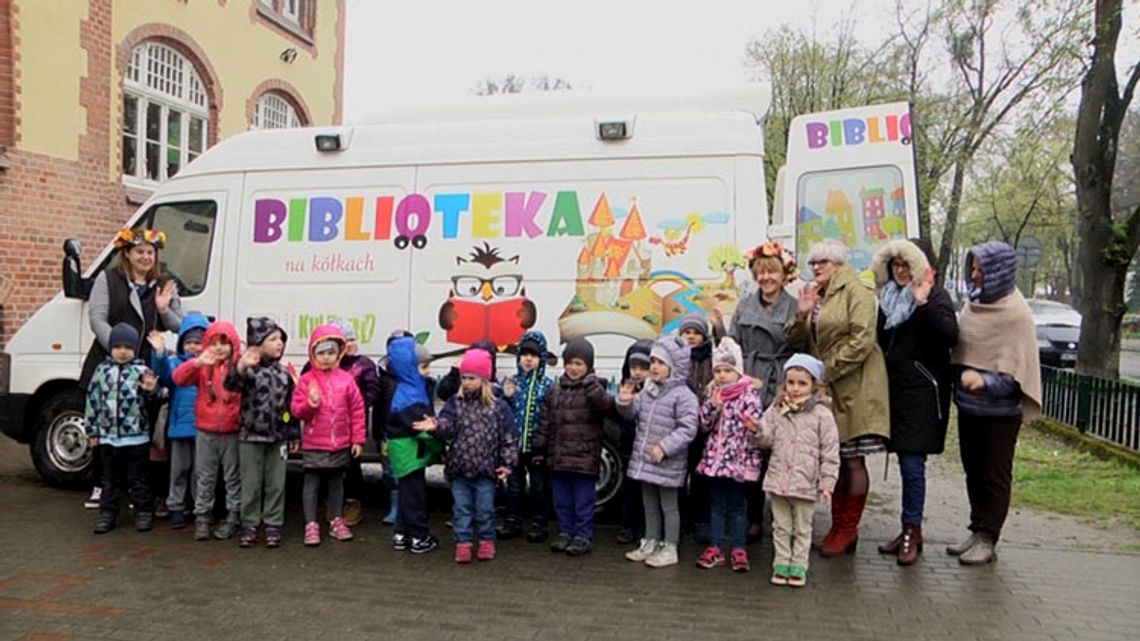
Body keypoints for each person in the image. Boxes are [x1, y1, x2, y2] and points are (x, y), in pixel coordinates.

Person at [785, 239, 889, 557]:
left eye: (823, 262)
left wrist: (825, 371)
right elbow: (798, 342)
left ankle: (847, 529)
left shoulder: (856, 292)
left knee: (852, 458)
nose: (816, 267)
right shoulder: (817, 294)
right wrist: (801, 314)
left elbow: (863, 339)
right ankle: (838, 527)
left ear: (839, 265)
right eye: (813, 262)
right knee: (836, 457)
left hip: (856, 384)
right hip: (829, 386)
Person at [948, 241, 1041, 566]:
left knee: (994, 474)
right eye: (972, 268)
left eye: (980, 269)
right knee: (973, 471)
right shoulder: (972, 307)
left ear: (998, 271)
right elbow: (961, 351)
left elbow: (1018, 373)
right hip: (969, 408)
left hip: (1000, 414)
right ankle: (977, 529)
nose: (975, 275)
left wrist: (985, 381)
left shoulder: (1016, 314)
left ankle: (989, 537)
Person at [80, 227, 182, 510]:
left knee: (142, 428)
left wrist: (163, 308)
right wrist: (119, 349)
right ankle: (102, 485)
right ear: (127, 253)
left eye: (150, 252)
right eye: (139, 252)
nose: (145, 257)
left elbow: (178, 325)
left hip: (147, 370)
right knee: (106, 424)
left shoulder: (164, 284)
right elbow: (97, 317)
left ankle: (138, 489)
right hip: (109, 363)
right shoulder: (108, 279)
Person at [872, 239, 959, 565]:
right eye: (895, 265)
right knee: (904, 463)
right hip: (896, 392)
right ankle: (909, 529)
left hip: (923, 393)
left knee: (912, 465)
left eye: (905, 265)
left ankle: (912, 528)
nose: (899, 271)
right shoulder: (890, 298)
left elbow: (951, 335)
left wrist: (922, 305)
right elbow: (882, 340)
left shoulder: (935, 297)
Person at [710, 240, 799, 544]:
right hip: (749, 379)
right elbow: (733, 346)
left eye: (772, 272)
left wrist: (789, 386)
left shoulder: (794, 306)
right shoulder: (746, 303)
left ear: (783, 274)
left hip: (778, 379)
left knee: (775, 448)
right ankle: (750, 516)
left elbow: (801, 347)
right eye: (761, 272)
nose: (766, 278)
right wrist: (718, 329)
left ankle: (782, 520)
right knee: (747, 446)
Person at [414, 349, 518, 563]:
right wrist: (436, 425)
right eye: (464, 378)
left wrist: (507, 464)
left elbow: (509, 437)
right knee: (461, 509)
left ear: (484, 379)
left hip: (486, 470)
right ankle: (463, 542)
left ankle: (487, 540)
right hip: (459, 469)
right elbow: (448, 426)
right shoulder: (455, 403)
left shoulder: (498, 407)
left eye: (472, 378)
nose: (468, 382)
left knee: (485, 509)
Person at [749, 354, 839, 588]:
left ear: (814, 385)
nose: (795, 388)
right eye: (791, 383)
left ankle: (798, 564)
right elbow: (766, 439)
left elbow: (830, 452)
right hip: (779, 478)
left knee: (802, 527)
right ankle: (781, 562)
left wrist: (827, 483)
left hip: (806, 482)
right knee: (780, 526)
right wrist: (757, 430)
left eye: (802, 383)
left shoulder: (822, 415)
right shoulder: (777, 409)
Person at [616, 334, 699, 568]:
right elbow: (632, 414)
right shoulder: (649, 390)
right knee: (649, 503)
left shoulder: (683, 396)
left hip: (667, 462)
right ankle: (650, 540)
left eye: (660, 363)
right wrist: (624, 402)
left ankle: (670, 545)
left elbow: (688, 428)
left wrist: (664, 447)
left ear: (675, 367)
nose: (654, 367)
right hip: (646, 460)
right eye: (653, 361)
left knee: (669, 506)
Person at [532, 338, 613, 557]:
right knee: (562, 501)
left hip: (584, 460)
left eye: (579, 364)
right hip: (559, 459)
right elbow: (544, 422)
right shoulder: (555, 390)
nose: (573, 368)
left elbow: (606, 407)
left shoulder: (595, 388)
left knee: (583, 501)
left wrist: (591, 386)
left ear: (588, 366)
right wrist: (539, 449)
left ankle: (583, 535)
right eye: (569, 363)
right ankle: (566, 531)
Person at [291, 324, 366, 547]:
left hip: (340, 443)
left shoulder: (346, 380)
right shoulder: (306, 380)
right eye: (321, 353)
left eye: (331, 352)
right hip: (315, 442)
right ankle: (311, 524)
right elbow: (297, 410)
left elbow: (358, 410)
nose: (326, 358)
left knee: (336, 483)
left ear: (339, 354)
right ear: (313, 354)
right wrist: (310, 404)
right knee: (311, 483)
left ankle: (336, 519)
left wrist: (358, 439)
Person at [298, 319, 379, 527]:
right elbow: (299, 406)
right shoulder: (310, 373)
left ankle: (346, 509)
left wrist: (352, 421)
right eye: (347, 339)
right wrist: (312, 403)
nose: (350, 344)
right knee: (314, 478)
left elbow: (365, 399)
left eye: (352, 339)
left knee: (345, 473)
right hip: (318, 436)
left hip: (346, 430)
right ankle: (315, 519)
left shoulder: (358, 368)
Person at [224, 318, 297, 548]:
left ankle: (273, 523)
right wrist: (240, 366)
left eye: (281, 340)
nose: (279, 344)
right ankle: (250, 524)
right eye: (273, 339)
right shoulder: (249, 371)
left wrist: (293, 434)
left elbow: (290, 406)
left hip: (278, 439)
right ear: (258, 343)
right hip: (250, 437)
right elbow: (231, 384)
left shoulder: (284, 373)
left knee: (276, 484)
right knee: (251, 484)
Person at [695, 337, 764, 572]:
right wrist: (714, 406)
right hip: (716, 461)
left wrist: (753, 426)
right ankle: (715, 547)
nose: (722, 375)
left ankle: (739, 547)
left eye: (727, 370)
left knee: (737, 506)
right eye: (718, 371)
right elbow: (703, 424)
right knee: (717, 505)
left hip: (738, 462)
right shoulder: (713, 394)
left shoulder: (749, 395)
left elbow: (757, 427)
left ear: (738, 371)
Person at [172, 320, 243, 542]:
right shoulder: (202, 367)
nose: (220, 348)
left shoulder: (238, 368)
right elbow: (178, 378)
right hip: (206, 430)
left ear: (234, 345)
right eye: (214, 343)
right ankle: (202, 517)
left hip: (232, 431)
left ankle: (233, 517)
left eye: (225, 343)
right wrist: (197, 362)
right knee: (205, 476)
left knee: (233, 477)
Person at [86, 323, 159, 534]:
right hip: (108, 437)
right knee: (109, 479)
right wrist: (92, 430)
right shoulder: (101, 371)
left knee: (139, 477)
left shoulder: (142, 371)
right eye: (117, 346)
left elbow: (154, 398)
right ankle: (108, 512)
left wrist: (151, 391)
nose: (122, 351)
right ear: (110, 348)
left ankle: (143, 510)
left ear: (135, 349)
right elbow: (92, 402)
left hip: (136, 437)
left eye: (127, 347)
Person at [147, 313, 209, 529]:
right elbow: (163, 376)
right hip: (180, 428)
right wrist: (160, 353)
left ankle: (196, 506)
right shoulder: (175, 364)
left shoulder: (209, 366)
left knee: (200, 471)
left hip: (203, 428)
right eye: (189, 342)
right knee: (179, 470)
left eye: (198, 343)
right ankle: (175, 506)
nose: (193, 347)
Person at [384, 335, 443, 554]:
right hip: (410, 454)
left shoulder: (404, 389)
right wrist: (440, 445)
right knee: (415, 497)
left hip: (403, 454)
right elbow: (422, 429)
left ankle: (401, 534)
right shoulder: (410, 396)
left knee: (406, 493)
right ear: (410, 367)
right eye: (424, 367)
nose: (427, 371)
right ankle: (419, 536)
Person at [500, 330, 554, 543]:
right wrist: (507, 396)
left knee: (539, 486)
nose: (528, 359)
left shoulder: (547, 385)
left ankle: (540, 523)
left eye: (533, 355)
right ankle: (513, 520)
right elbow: (503, 412)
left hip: (537, 447)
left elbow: (550, 416)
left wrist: (545, 443)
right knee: (514, 485)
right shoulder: (512, 382)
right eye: (524, 354)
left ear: (541, 358)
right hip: (514, 447)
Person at [678, 313, 714, 544]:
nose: (691, 337)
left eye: (696, 333)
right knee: (679, 475)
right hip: (681, 425)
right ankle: (681, 519)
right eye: (687, 332)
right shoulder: (676, 358)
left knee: (701, 476)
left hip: (705, 428)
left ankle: (702, 520)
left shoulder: (712, 358)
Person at [614, 339, 652, 545]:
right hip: (630, 447)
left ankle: (648, 528)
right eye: (633, 368)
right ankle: (629, 526)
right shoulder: (626, 387)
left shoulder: (654, 391)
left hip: (649, 449)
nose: (637, 373)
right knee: (629, 490)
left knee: (649, 493)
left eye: (643, 368)